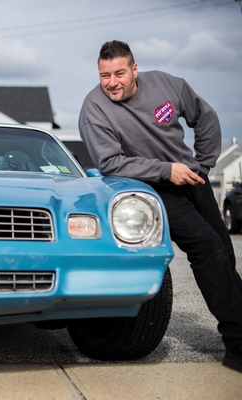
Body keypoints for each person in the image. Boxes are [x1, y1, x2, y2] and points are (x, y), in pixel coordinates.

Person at [79, 40, 242, 373]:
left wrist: (204, 165)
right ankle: (238, 344)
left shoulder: (166, 84)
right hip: (153, 189)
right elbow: (111, 163)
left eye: (119, 73)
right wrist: (167, 171)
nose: (112, 82)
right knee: (207, 249)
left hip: (192, 178)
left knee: (225, 255)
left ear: (135, 69)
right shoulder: (94, 109)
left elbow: (205, 117)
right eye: (105, 75)